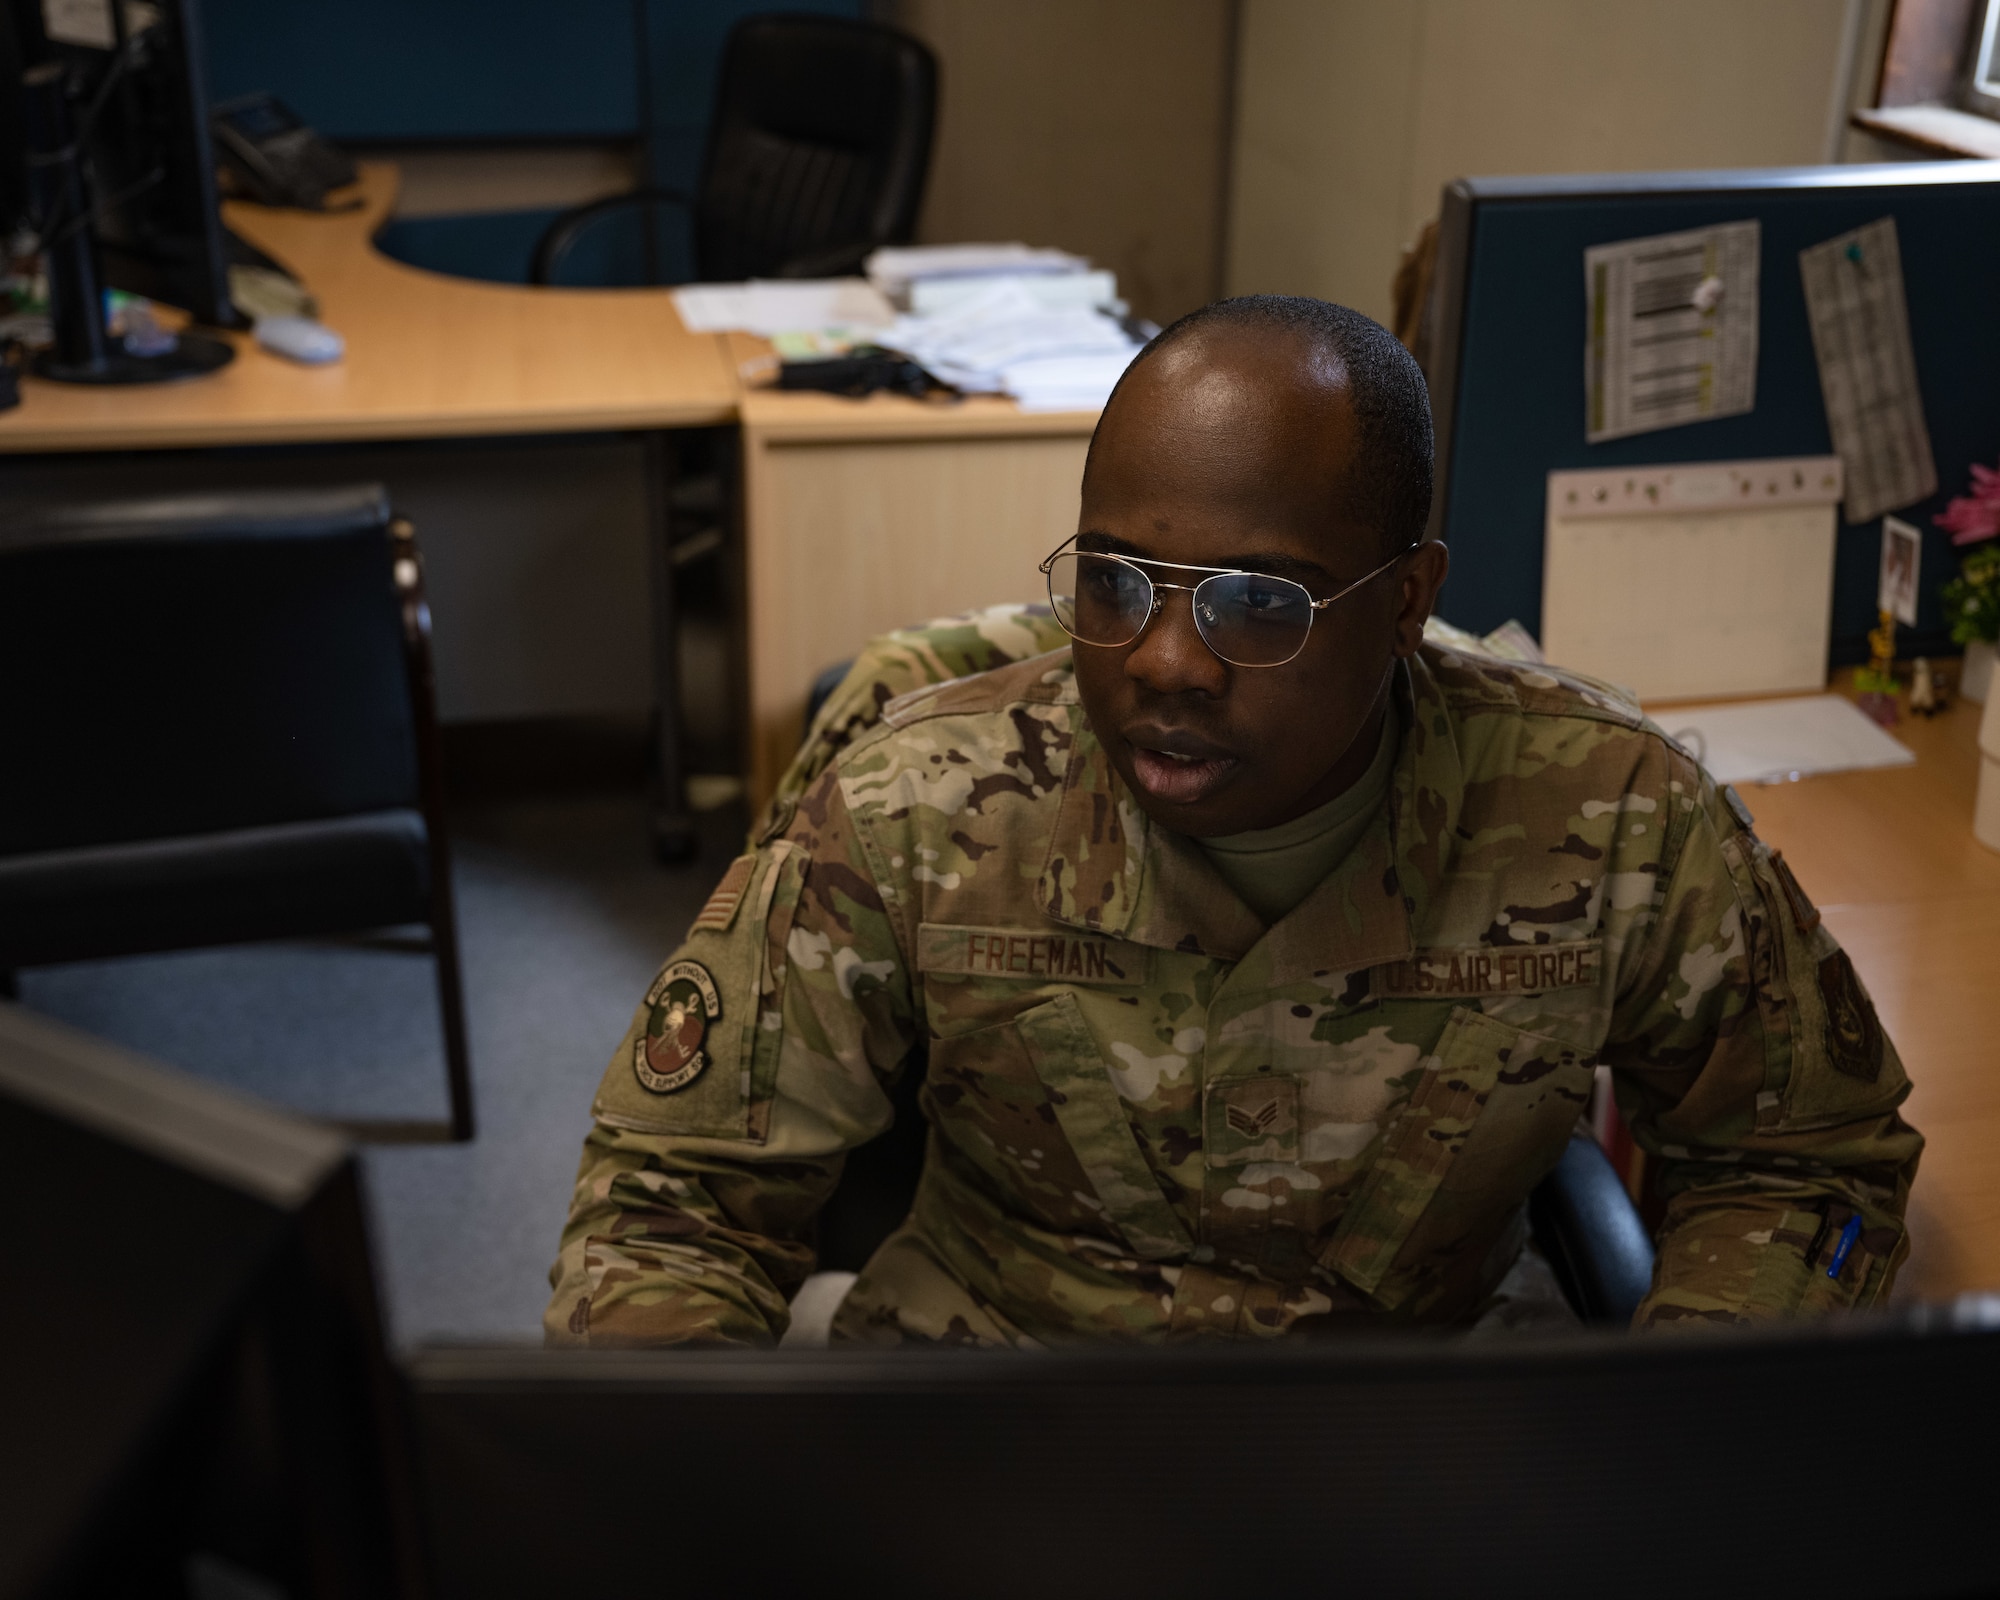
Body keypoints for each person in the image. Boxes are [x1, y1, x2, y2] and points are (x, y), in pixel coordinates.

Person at [546, 295, 1921, 1347]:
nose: (1163, 662)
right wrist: (690, 1500)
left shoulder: (1609, 814)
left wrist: (1684, 1424)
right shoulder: (923, 800)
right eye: (1117, 582)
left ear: (1404, 600)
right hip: (991, 1401)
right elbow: (674, 1200)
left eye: (1259, 603)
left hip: (1412, 1429)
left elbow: (1800, 1158)